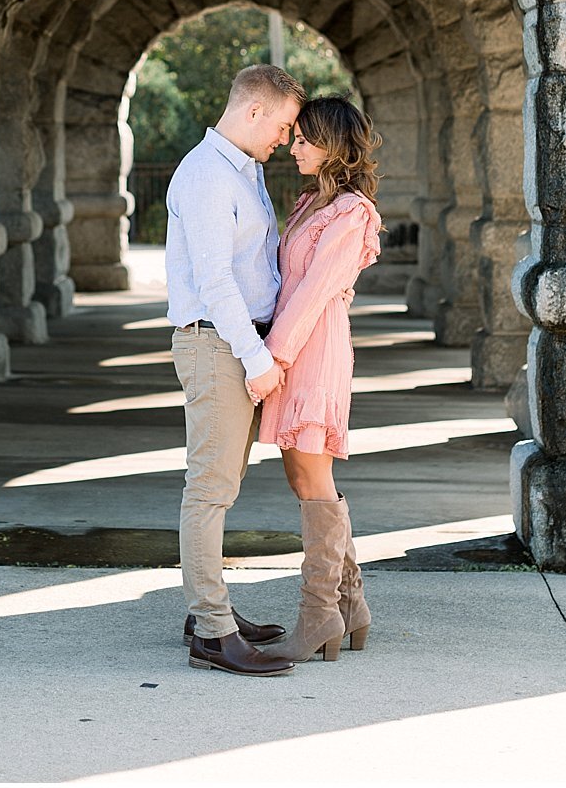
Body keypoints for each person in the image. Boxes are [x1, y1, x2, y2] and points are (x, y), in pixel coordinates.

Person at [167, 62, 304, 678]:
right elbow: (215, 281)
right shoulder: (204, 178)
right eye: (282, 126)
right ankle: (215, 634)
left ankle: (210, 611)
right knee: (210, 490)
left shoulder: (239, 172)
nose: (285, 139)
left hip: (235, 343)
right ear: (253, 112)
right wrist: (257, 360)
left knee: (222, 486)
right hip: (218, 345)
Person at [256, 95, 383, 663]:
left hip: (313, 346)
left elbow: (313, 293)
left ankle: (318, 612)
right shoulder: (311, 202)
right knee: (301, 476)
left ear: (334, 144)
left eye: (305, 138)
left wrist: (272, 358)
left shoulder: (351, 212)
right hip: (293, 343)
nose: (293, 145)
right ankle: (348, 606)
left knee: (312, 476)